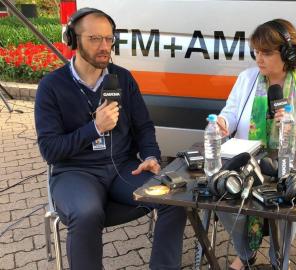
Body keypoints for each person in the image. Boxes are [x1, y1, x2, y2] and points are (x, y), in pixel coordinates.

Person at [34, 8, 186, 270]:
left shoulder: (122, 79)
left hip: (122, 168)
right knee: (86, 214)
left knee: (174, 200)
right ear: (73, 40)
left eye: (109, 39)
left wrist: (150, 156)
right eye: (95, 39)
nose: (105, 46)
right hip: (75, 172)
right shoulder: (51, 86)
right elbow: (50, 150)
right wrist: (94, 128)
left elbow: (144, 127)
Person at [216, 19, 296, 269]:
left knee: (289, 201)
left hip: (292, 164)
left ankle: (278, 258)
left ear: (288, 53)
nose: (259, 59)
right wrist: (222, 122)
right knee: (223, 197)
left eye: (266, 53)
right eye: (256, 52)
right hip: (252, 162)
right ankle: (245, 252)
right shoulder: (247, 78)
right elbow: (231, 113)